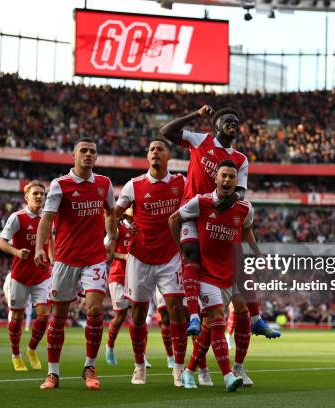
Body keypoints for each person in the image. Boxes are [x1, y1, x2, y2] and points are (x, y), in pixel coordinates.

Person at [160, 105, 279, 386]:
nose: (233, 124)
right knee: (192, 260)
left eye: (237, 121)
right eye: (227, 120)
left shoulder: (241, 159)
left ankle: (248, 333)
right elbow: (166, 132)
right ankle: (195, 349)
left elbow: (240, 190)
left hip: (221, 219)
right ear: (216, 126)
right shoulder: (200, 140)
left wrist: (231, 200)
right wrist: (195, 114)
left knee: (238, 272)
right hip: (195, 213)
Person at [168, 160, 260, 392]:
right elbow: (173, 219)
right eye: (224, 176)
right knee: (218, 318)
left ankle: (189, 371)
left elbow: (247, 229)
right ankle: (229, 375)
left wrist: (257, 253)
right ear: (216, 179)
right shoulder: (201, 202)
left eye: (231, 176)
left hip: (228, 274)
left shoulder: (245, 209)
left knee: (210, 325)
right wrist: (181, 250)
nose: (227, 180)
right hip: (206, 274)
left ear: (236, 181)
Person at [34, 138, 118, 390]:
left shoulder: (104, 183)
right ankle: (53, 373)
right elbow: (47, 220)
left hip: (94, 259)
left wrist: (112, 238)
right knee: (58, 317)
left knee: (94, 310)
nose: (89, 155)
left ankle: (89, 368)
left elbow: (111, 212)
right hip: (65, 260)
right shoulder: (60, 185)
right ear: (74, 156)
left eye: (93, 151)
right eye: (84, 151)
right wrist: (39, 247)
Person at [114, 139, 188, 386]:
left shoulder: (181, 182)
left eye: (160, 149)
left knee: (177, 310)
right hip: (140, 257)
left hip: (170, 256)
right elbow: (114, 212)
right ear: (148, 157)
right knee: (138, 313)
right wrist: (125, 220)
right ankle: (139, 366)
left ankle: (178, 368)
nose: (155, 152)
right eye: (152, 150)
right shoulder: (134, 185)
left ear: (169, 156)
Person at [0, 180, 53, 372]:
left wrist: (52, 261)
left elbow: (51, 240)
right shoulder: (17, 217)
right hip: (19, 276)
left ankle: (31, 349)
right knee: (17, 317)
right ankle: (15, 354)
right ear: (26, 197)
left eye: (42, 194)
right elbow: (1, 242)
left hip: (42, 276)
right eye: (35, 193)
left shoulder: (48, 218)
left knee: (44, 316)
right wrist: (16, 252)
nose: (39, 196)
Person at [105, 208, 134, 366]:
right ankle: (110, 345)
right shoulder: (117, 229)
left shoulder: (140, 229)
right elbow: (108, 253)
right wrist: (123, 256)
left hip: (136, 277)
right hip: (118, 276)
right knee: (120, 316)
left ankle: (140, 354)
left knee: (139, 315)